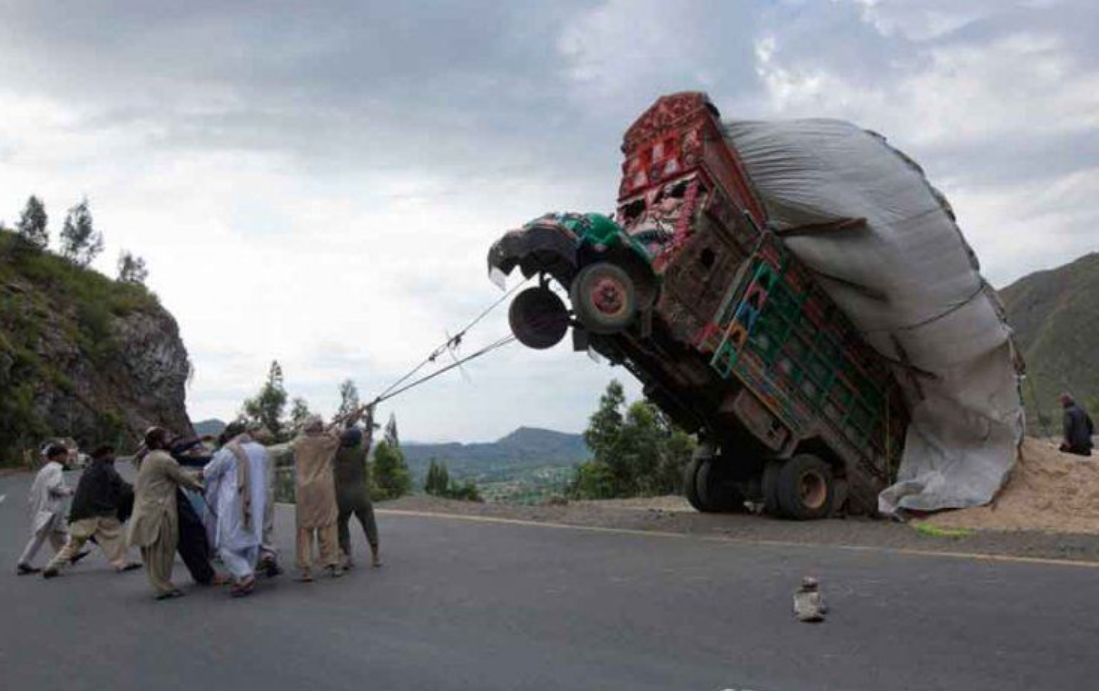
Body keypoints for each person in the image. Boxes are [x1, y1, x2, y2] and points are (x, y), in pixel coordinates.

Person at [127, 427, 203, 600]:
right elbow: (182, 478)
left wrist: (196, 476)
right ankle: (164, 588)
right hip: (159, 511)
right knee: (163, 550)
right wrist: (201, 484)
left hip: (146, 510)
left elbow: (175, 475)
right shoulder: (164, 459)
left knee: (152, 553)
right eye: (168, 436)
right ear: (159, 442)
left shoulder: (148, 458)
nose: (171, 438)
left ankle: (161, 585)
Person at [42, 445, 141, 577]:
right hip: (99, 511)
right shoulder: (106, 468)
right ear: (107, 454)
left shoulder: (90, 469)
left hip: (80, 512)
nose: (115, 457)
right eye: (113, 454)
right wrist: (137, 491)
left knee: (74, 543)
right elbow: (121, 487)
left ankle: (52, 566)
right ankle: (121, 563)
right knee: (116, 535)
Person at [201, 422, 268, 597]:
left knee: (227, 545)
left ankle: (244, 575)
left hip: (234, 503)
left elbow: (210, 472)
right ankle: (245, 575)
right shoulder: (261, 450)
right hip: (257, 500)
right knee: (252, 540)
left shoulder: (228, 451)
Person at [168, 435, 227, 586]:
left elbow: (188, 458)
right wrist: (199, 486)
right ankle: (206, 575)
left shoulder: (158, 457)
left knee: (192, 535)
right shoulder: (164, 459)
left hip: (171, 500)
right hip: (171, 501)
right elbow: (184, 471)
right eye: (165, 438)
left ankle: (203, 571)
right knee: (193, 534)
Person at [292, 416, 343, 581]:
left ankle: (306, 569)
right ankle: (333, 563)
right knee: (328, 526)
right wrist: (329, 429)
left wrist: (322, 429)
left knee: (304, 529)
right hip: (323, 488)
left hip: (304, 490)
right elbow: (338, 438)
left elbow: (297, 439)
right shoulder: (327, 442)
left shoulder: (299, 443)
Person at [16, 444, 79, 575]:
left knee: (61, 532)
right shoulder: (56, 469)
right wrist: (69, 491)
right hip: (51, 510)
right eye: (65, 455)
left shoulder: (44, 470)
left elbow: (34, 491)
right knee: (39, 537)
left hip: (45, 508)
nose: (67, 457)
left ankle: (72, 553)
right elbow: (53, 487)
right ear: (57, 456)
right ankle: (24, 561)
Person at [335, 424, 381, 569]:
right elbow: (367, 437)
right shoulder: (361, 452)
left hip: (341, 497)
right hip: (361, 495)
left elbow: (335, 436)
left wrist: (339, 430)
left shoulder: (338, 452)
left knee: (341, 527)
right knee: (369, 525)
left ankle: (347, 557)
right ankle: (375, 557)